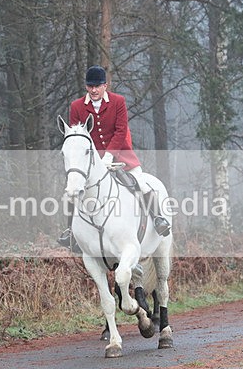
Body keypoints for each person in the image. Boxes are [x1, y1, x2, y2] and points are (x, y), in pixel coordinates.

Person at [58, 65, 171, 250]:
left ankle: (158, 219)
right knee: (73, 191)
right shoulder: (76, 106)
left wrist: (109, 156)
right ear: (86, 87)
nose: (94, 90)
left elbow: (120, 131)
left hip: (121, 156)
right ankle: (71, 232)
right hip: (91, 162)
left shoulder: (118, 102)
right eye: (90, 86)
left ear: (105, 85)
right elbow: (77, 138)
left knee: (142, 184)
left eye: (98, 86)